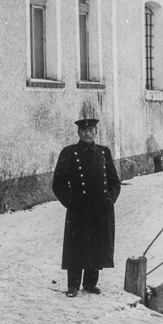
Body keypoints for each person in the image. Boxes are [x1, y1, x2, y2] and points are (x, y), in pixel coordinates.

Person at [51, 104, 122, 296]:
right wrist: (70, 202)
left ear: (96, 132)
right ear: (78, 132)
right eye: (84, 130)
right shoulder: (69, 153)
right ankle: (73, 285)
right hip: (79, 208)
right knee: (76, 246)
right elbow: (58, 184)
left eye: (91, 130)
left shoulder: (104, 153)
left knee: (97, 244)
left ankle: (90, 283)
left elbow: (115, 181)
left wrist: (110, 199)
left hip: (100, 208)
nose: (88, 133)